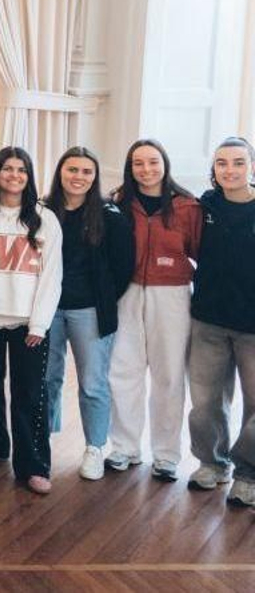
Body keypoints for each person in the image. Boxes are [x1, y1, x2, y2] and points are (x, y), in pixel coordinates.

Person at [0, 147, 62, 494]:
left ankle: (33, 464)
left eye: (22, 169)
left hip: (26, 322)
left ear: (29, 176)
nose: (15, 175)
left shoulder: (44, 218)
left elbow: (52, 276)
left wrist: (39, 324)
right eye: (8, 168)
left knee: (30, 394)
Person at [107, 138, 201, 480]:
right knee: (123, 370)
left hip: (172, 295)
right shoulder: (118, 203)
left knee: (170, 374)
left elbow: (201, 253)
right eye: (138, 163)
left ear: (165, 164)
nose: (146, 169)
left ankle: (166, 455)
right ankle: (124, 447)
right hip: (127, 292)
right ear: (130, 168)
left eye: (153, 162)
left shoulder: (188, 207)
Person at [42, 146, 134, 482]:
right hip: (47, 310)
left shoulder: (110, 216)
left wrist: (103, 298)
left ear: (94, 177)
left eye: (86, 172)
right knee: (46, 378)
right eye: (72, 170)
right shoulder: (42, 210)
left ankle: (95, 447)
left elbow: (123, 268)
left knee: (93, 383)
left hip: (90, 311)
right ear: (60, 172)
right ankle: (43, 441)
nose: (78, 177)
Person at [187, 137, 255, 504]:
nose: (230, 170)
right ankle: (212, 464)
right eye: (222, 163)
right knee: (205, 403)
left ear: (252, 167)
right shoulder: (205, 206)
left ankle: (248, 473)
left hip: (253, 327)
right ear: (214, 169)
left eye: (238, 163)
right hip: (209, 321)